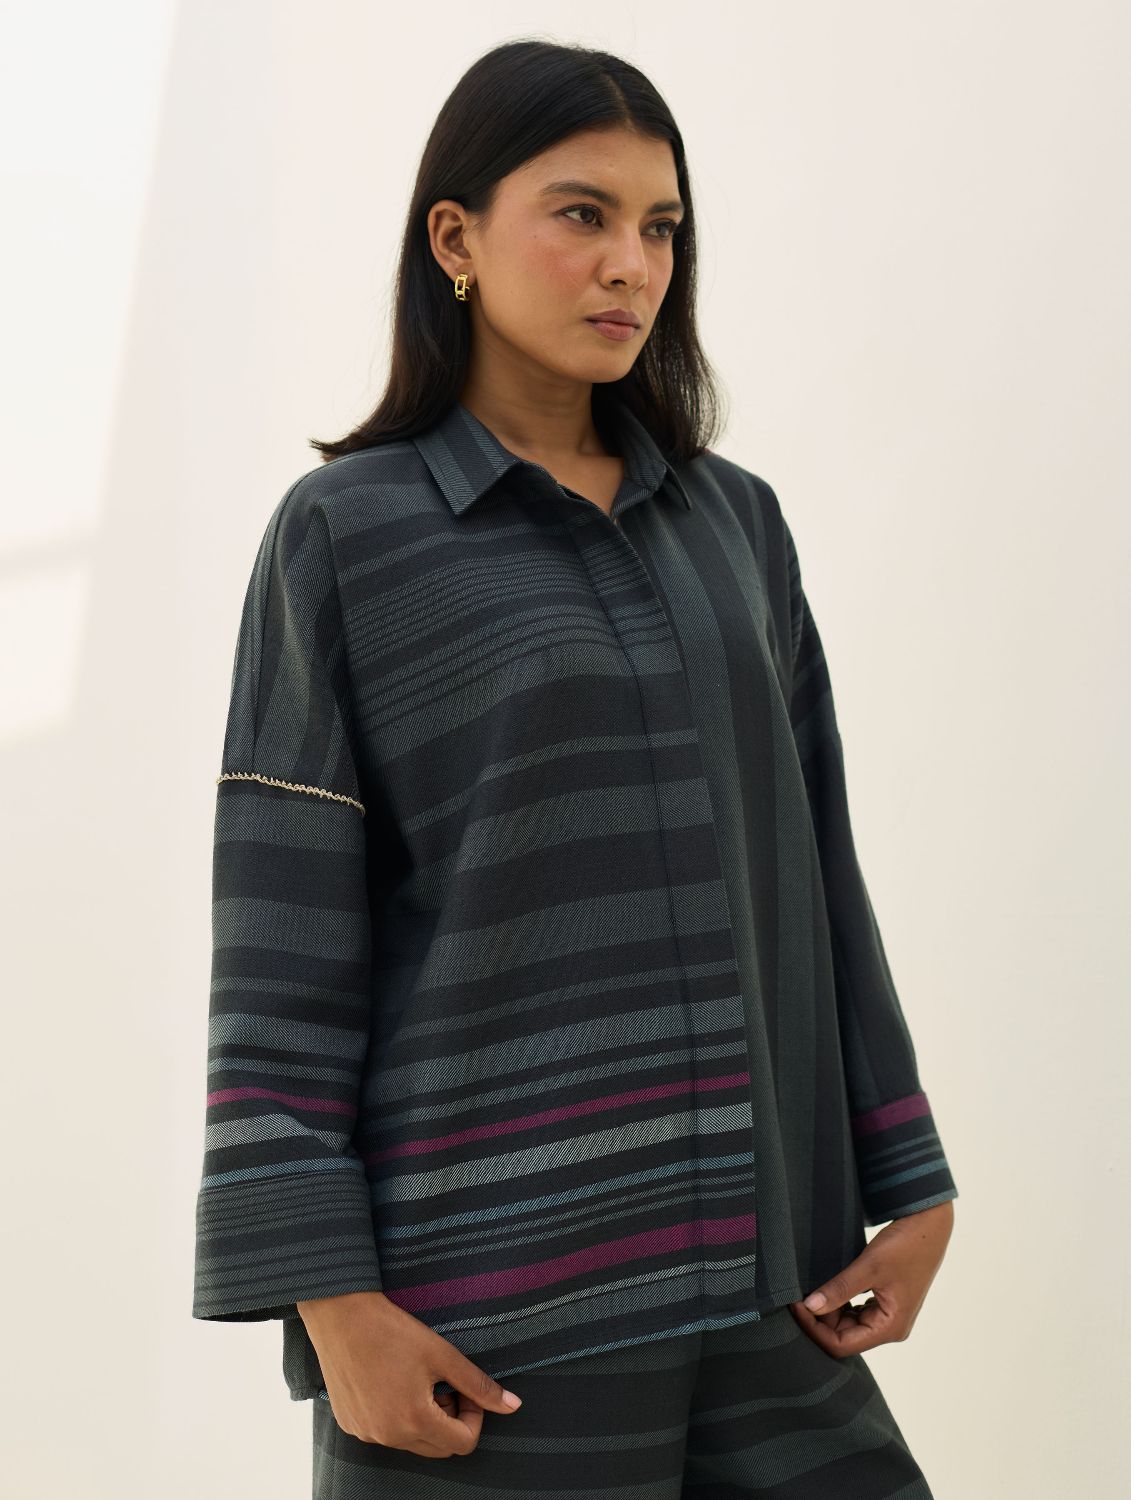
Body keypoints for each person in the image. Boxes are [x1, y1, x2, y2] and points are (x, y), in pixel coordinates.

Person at [192, 38, 958, 1499]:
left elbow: (818, 873)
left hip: (772, 1287)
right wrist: (331, 1304)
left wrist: (908, 1177)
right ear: (455, 240)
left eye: (661, 227)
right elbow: (283, 948)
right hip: (489, 1331)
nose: (631, 265)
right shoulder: (346, 537)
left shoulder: (736, 526)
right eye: (582, 214)